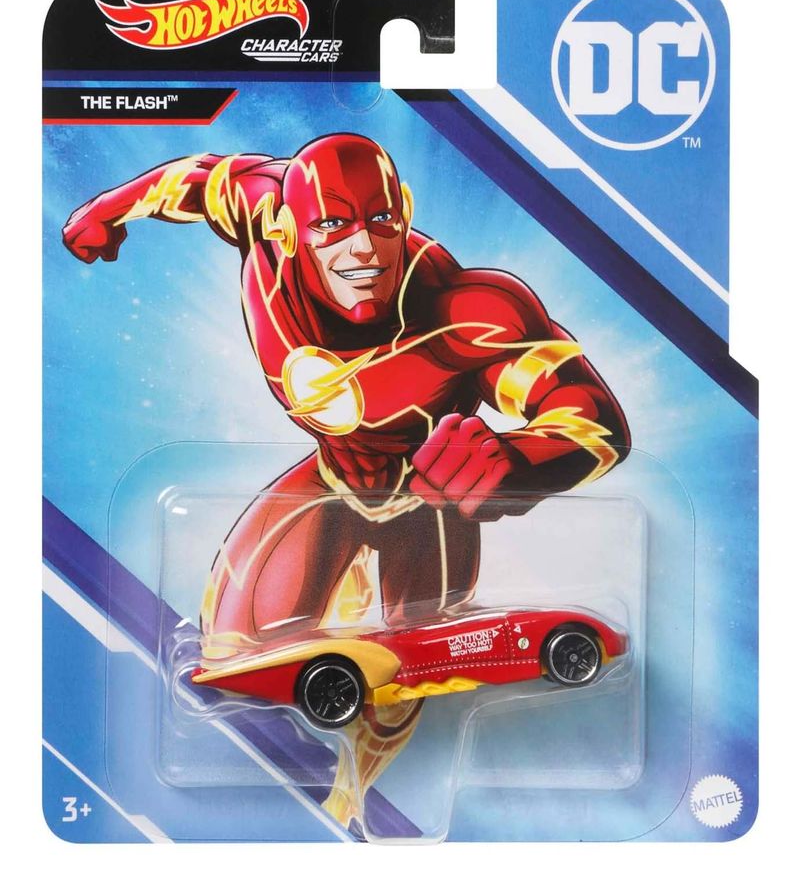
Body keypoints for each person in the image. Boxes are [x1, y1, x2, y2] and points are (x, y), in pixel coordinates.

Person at [63, 132, 630, 829]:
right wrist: (107, 209)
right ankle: (257, 799)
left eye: (380, 220)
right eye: (332, 224)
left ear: (405, 210)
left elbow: (593, 421)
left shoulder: (467, 311)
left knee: (407, 674)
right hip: (330, 482)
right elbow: (194, 178)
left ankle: (350, 809)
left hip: (428, 506)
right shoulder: (262, 210)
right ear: (290, 224)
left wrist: (520, 460)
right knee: (231, 656)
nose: (362, 247)